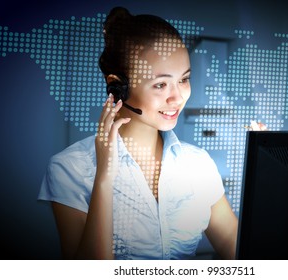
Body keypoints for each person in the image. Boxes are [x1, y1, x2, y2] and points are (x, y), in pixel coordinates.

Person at [38, 6, 238, 260]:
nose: (178, 97)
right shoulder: (70, 168)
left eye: (184, 79)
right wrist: (104, 178)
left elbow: (237, 250)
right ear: (117, 86)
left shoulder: (198, 164)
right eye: (160, 84)